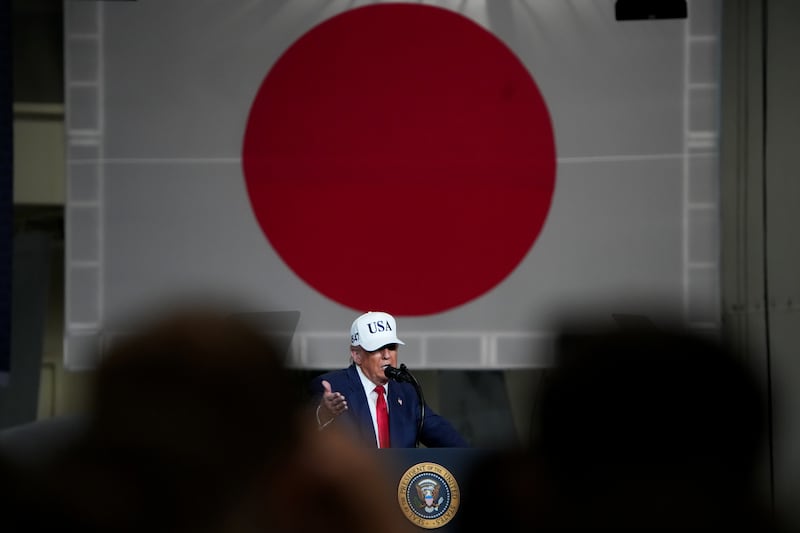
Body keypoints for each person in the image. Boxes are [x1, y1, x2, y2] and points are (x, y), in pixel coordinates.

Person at [310, 311, 468, 448]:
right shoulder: (333, 386)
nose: (387, 355)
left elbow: (446, 438)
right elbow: (302, 437)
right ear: (357, 354)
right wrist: (323, 414)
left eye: (391, 347)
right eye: (377, 348)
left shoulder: (407, 391)